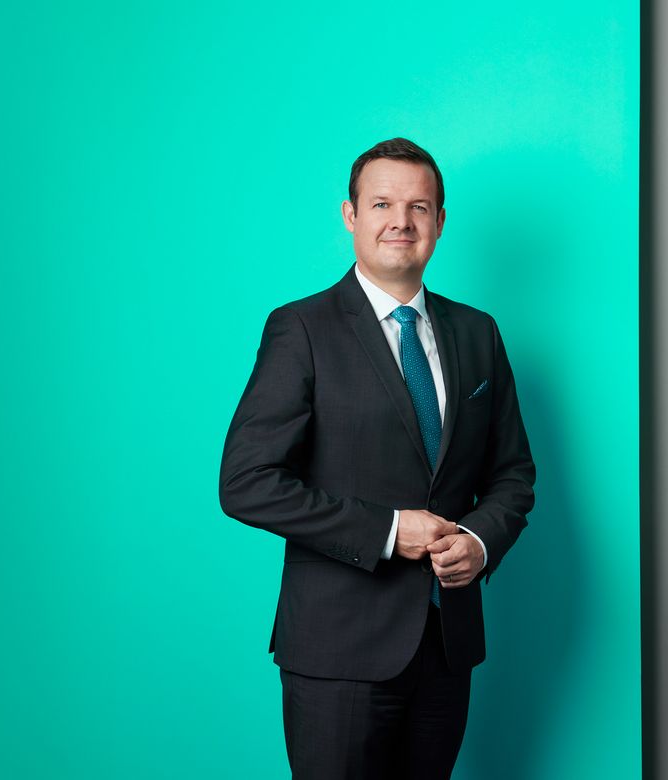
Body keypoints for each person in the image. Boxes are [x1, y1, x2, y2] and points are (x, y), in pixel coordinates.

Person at [218, 137, 537, 779]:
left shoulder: (477, 332)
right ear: (351, 215)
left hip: (446, 646)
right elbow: (246, 482)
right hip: (338, 651)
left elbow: (512, 473)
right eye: (383, 204)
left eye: (418, 207)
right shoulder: (301, 328)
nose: (401, 221)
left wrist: (478, 541)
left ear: (439, 222)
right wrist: (389, 531)